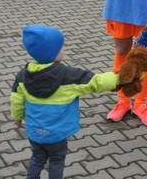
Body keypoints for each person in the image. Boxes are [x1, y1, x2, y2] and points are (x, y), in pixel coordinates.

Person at [11, 25, 121, 179]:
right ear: (53, 53)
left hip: (34, 131)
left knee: (37, 157)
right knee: (57, 160)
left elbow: (16, 98)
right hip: (57, 134)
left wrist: (17, 116)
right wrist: (118, 78)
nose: (63, 49)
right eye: (61, 47)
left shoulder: (23, 76)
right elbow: (95, 82)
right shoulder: (68, 76)